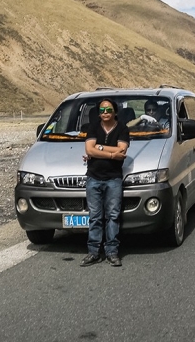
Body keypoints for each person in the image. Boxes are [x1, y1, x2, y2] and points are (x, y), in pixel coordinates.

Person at [81, 99, 129, 267]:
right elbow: (89, 149)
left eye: (108, 109)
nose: (105, 112)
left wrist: (99, 148)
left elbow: (122, 150)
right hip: (93, 178)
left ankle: (112, 252)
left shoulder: (122, 128)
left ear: (115, 111)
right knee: (94, 217)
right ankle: (93, 252)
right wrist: (111, 154)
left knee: (113, 216)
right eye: (102, 110)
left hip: (113, 179)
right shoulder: (93, 127)